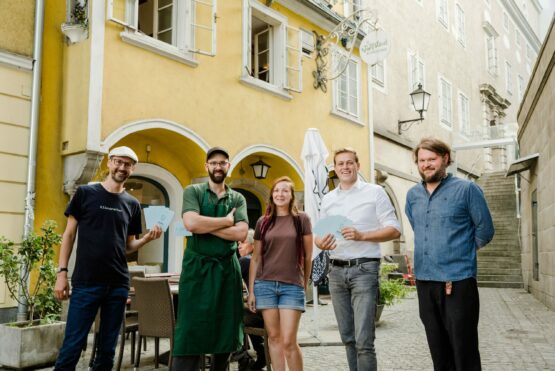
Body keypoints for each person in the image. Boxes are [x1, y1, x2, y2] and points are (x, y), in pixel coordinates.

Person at [53, 146, 162, 370]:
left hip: (118, 284)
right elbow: (69, 234)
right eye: (119, 162)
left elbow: (128, 245)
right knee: (72, 345)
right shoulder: (84, 193)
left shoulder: (132, 204)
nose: (122, 167)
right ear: (109, 163)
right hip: (86, 282)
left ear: (133, 169)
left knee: (108, 350)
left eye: (127, 164)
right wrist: (62, 273)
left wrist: (146, 240)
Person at [405, 137, 494, 371]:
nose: (426, 164)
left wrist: (460, 251)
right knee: (438, 349)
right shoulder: (413, 195)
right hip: (425, 281)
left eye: (431, 159)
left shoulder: (467, 189)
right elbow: (418, 226)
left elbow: (485, 230)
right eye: (422, 160)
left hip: (458, 281)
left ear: (445, 159)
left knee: (463, 349)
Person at [315, 148, 401, 371]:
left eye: (349, 163)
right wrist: (320, 243)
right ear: (334, 168)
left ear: (357, 166)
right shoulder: (328, 199)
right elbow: (319, 235)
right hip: (335, 271)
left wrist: (363, 235)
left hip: (364, 269)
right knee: (347, 337)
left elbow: (394, 230)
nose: (345, 167)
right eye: (340, 163)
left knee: (363, 340)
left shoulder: (374, 192)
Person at [172, 147, 249, 371]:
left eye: (222, 163)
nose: (218, 166)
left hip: (227, 269)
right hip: (197, 269)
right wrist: (226, 222)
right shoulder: (193, 191)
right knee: (191, 325)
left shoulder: (238, 198)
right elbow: (191, 224)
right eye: (213, 163)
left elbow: (241, 233)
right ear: (206, 166)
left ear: (228, 166)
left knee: (226, 324)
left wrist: (204, 227)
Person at [247, 176, 313, 371]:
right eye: (276, 190)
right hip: (265, 285)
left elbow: (308, 256)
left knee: (288, 341)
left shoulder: (301, 219)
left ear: (292, 196)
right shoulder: (263, 222)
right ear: (272, 195)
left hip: (291, 286)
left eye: (285, 190)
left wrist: (304, 282)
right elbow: (256, 258)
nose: (280, 194)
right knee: (274, 338)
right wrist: (251, 290)